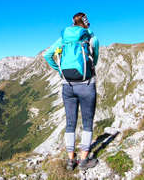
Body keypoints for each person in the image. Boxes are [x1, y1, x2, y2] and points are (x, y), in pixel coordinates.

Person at [42, 12, 100, 170]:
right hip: (86, 84)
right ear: (86, 22)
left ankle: (70, 161)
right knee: (87, 123)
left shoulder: (64, 39)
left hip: (67, 85)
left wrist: (60, 71)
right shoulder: (91, 38)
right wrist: (89, 68)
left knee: (70, 123)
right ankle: (83, 161)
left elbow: (47, 55)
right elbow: (94, 59)